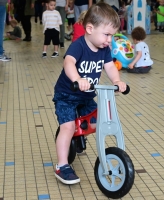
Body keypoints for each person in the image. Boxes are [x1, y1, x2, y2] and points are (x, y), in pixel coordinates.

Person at [53, 2, 126, 184]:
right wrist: (77, 79)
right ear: (90, 28)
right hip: (67, 95)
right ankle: (62, 166)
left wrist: (116, 81)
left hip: (86, 96)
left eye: (112, 36)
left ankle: (78, 136)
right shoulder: (79, 46)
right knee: (67, 127)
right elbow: (68, 62)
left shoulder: (104, 49)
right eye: (107, 35)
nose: (110, 40)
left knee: (97, 120)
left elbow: (109, 67)